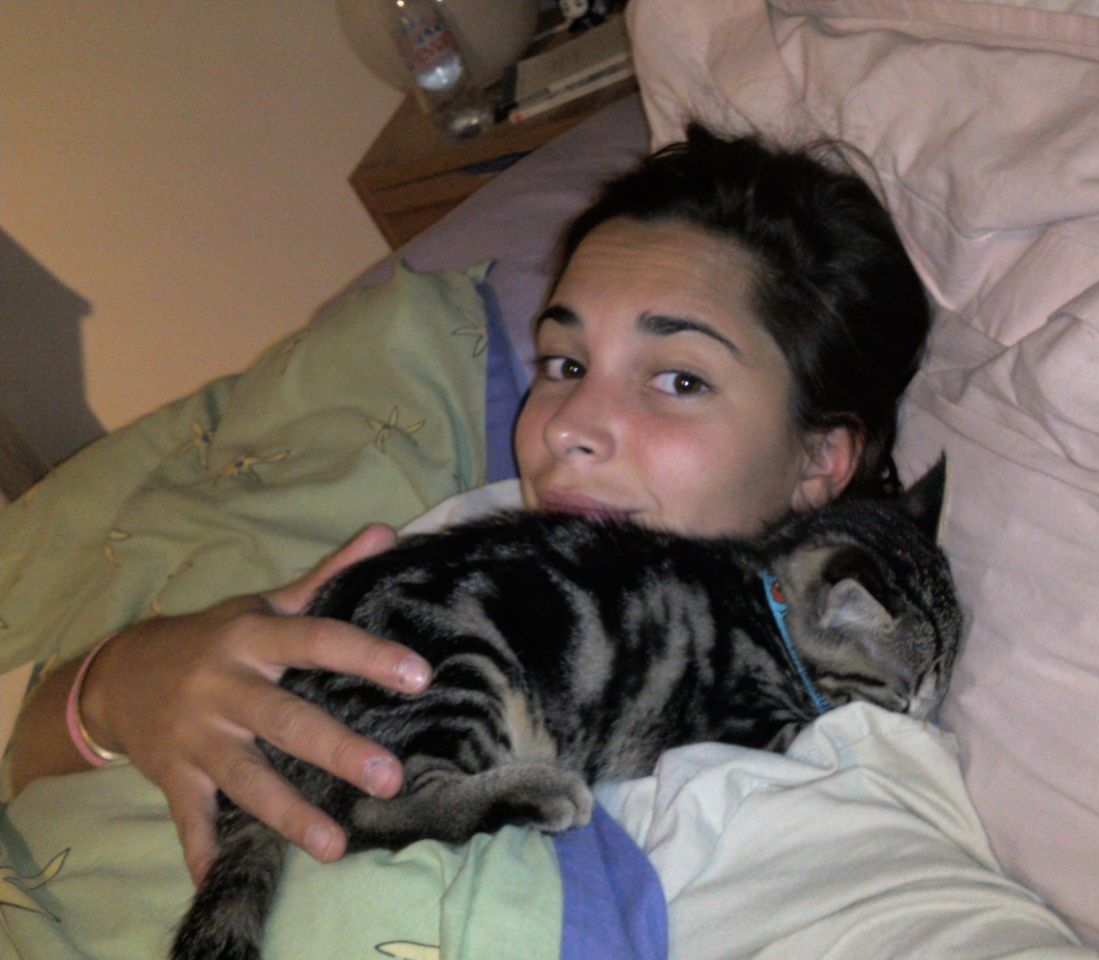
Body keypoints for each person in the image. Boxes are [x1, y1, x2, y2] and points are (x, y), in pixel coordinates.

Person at [9, 124, 931, 889]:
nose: (565, 427)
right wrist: (122, 684)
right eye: (563, 364)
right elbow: (29, 767)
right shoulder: (468, 543)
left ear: (819, 461)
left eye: (679, 379)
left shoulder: (833, 746)